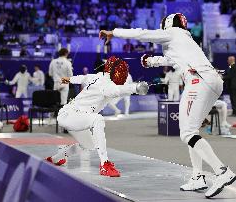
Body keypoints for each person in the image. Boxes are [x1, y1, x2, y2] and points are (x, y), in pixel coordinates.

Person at [99, 13, 236, 198]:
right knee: (192, 131)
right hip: (212, 81)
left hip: (199, 81)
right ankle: (198, 177)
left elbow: (142, 33)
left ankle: (222, 171)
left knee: (187, 133)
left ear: (168, 24)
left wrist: (113, 32)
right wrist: (150, 61)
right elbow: (171, 60)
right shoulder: (185, 40)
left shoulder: (173, 33)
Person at [46, 56, 149, 177]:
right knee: (98, 119)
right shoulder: (107, 85)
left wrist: (69, 79)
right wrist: (136, 88)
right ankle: (104, 164)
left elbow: (83, 78)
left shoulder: (98, 76)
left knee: (88, 145)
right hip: (71, 115)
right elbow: (118, 90)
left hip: (73, 115)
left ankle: (55, 159)